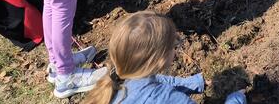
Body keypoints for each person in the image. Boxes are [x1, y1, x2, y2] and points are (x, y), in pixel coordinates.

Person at [84, 11, 246, 104]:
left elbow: (157, 82)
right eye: (173, 45)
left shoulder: (119, 83)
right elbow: (161, 92)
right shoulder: (168, 99)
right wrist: (237, 98)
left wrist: (196, 83)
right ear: (159, 58)